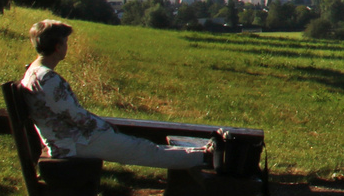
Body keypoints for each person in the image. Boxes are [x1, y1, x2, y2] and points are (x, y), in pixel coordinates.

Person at [18, 19, 211, 170]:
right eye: (66, 42)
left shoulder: (34, 72)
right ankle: (205, 157)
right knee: (143, 150)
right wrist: (106, 127)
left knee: (143, 147)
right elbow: (75, 116)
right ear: (58, 47)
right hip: (74, 143)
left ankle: (199, 153)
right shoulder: (48, 78)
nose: (67, 46)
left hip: (67, 140)